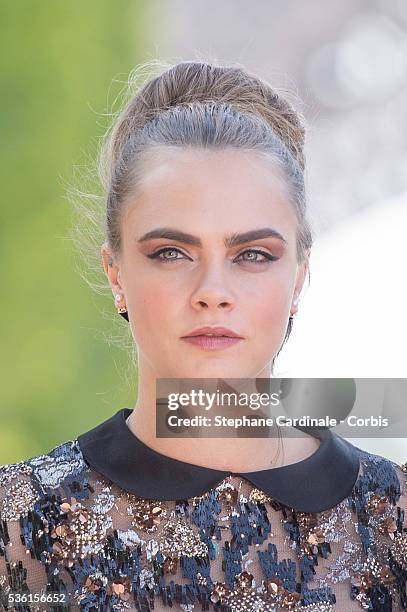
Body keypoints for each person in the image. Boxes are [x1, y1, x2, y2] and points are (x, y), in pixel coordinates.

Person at [0, 60, 406, 612]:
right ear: (115, 272)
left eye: (253, 255)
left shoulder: (396, 522)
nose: (213, 291)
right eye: (171, 252)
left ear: (299, 278)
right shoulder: (18, 527)